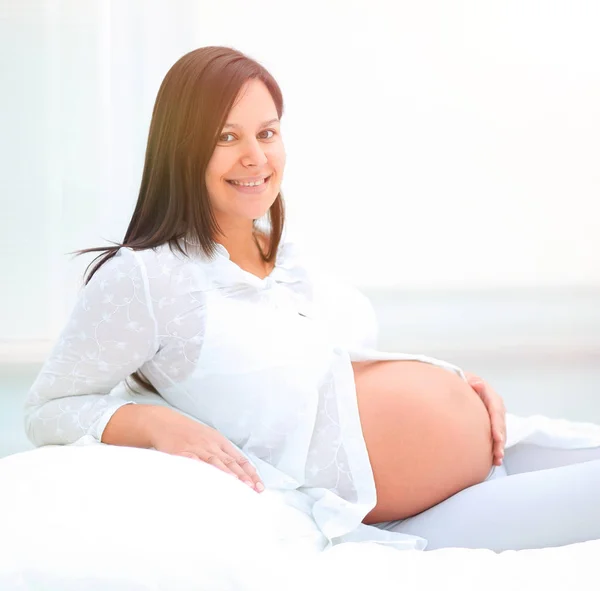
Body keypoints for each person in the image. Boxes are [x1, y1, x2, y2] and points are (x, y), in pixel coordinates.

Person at [24, 46, 600, 552]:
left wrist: (458, 387)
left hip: (492, 446)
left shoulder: (282, 251)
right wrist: (148, 424)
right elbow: (48, 408)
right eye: (227, 137)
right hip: (400, 513)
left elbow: (332, 370)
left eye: (267, 132)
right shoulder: (145, 277)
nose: (256, 156)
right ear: (181, 148)